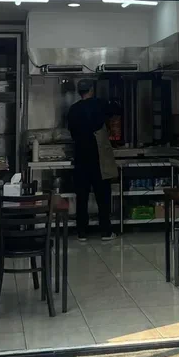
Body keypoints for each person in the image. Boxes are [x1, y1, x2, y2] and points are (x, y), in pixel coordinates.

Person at [67, 80, 119, 242]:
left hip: (81, 156)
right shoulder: (99, 104)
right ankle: (106, 232)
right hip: (98, 157)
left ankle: (82, 232)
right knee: (103, 196)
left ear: (79, 91)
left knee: (82, 196)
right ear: (91, 90)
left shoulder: (73, 109)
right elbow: (116, 110)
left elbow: (72, 132)